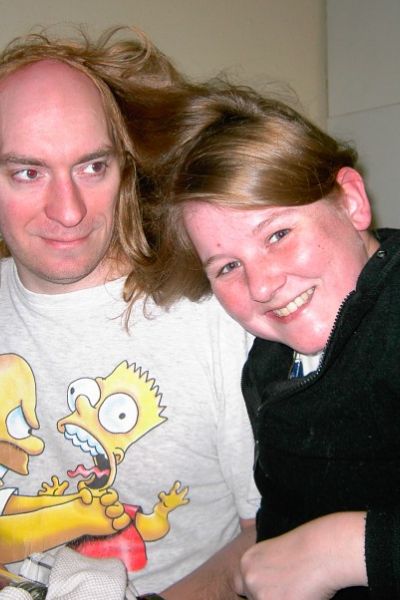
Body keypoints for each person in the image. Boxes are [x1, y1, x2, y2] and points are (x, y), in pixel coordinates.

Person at [0, 30, 259, 599]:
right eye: (28, 173)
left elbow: (270, 530)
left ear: (126, 168)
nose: (68, 211)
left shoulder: (214, 318)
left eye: (92, 167)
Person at [142, 82, 400, 599]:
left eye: (277, 235)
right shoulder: (269, 363)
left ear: (351, 201)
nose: (261, 286)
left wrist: (350, 549)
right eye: (227, 266)